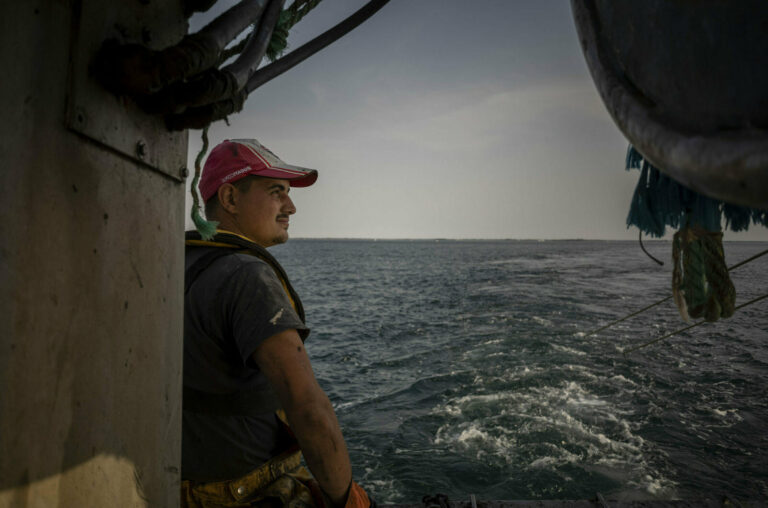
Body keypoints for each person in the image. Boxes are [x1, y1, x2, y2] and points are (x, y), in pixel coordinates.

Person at [181, 139, 372, 508]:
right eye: (276, 192)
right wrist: (347, 499)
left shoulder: (181, 260)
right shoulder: (247, 275)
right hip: (239, 491)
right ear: (231, 198)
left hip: (183, 481)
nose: (291, 206)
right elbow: (307, 408)